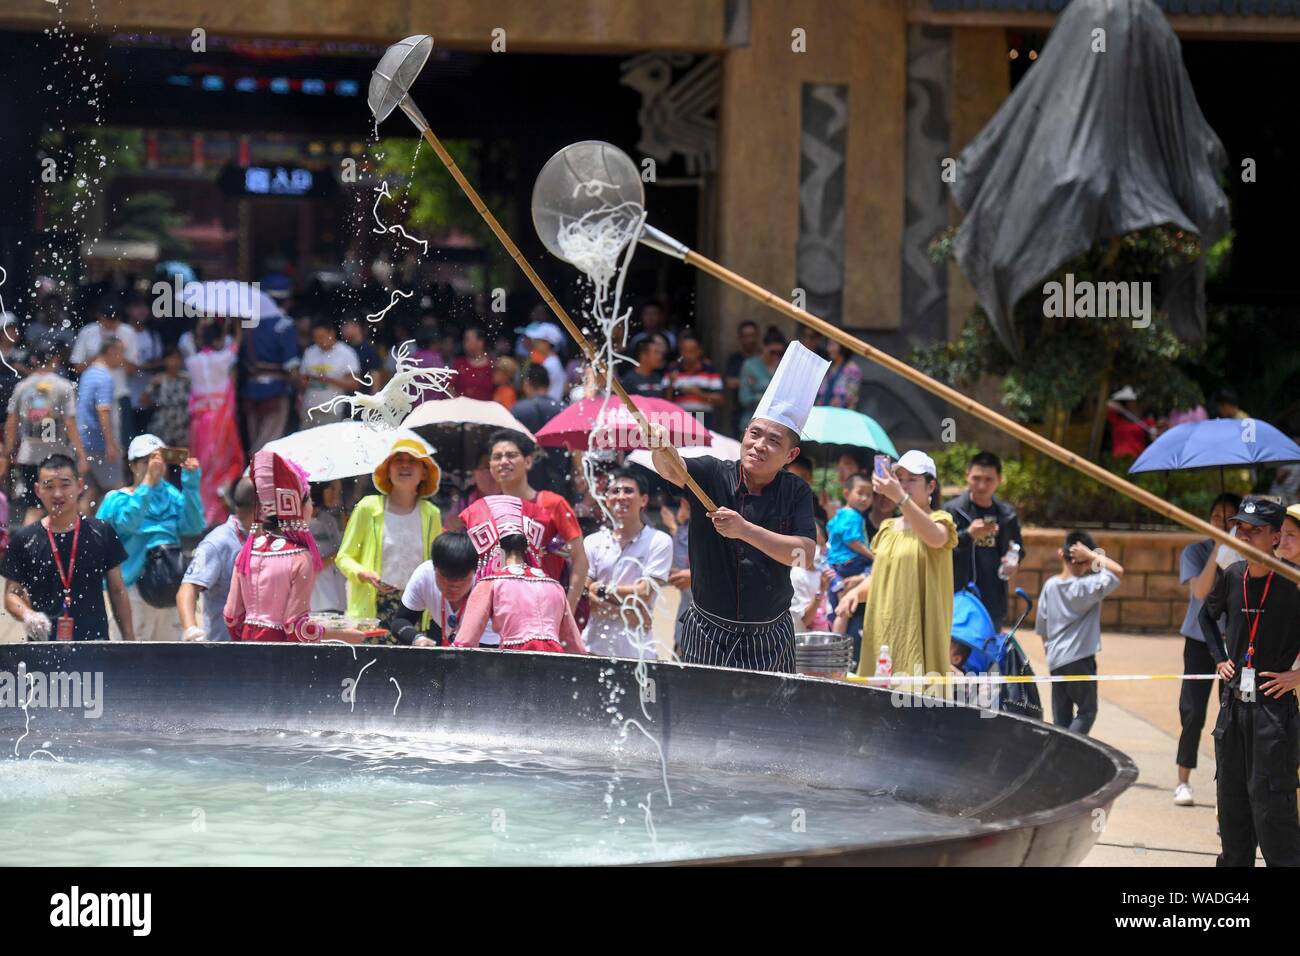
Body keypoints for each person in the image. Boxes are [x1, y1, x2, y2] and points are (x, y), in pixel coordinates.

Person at [651, 342, 825, 672]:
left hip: (770, 633)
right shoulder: (712, 473)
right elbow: (672, 469)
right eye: (755, 434)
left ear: (790, 456)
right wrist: (661, 445)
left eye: (773, 440)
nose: (759, 445)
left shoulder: (795, 491)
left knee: (772, 722)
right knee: (701, 718)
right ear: (744, 434)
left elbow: (804, 553)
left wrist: (744, 530)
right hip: (707, 630)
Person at [1199, 496, 1300, 866]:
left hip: (1274, 715)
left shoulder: (1293, 583)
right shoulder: (1232, 576)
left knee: (1273, 815)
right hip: (1232, 711)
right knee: (1232, 811)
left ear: (1275, 537)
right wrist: (1220, 658)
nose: (1245, 536)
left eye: (1255, 531)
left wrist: (1298, 675)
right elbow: (1206, 618)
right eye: (1240, 529)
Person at [841, 451, 957, 681]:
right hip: (884, 628)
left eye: (912, 479)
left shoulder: (940, 520)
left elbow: (935, 538)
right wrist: (855, 593)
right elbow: (881, 575)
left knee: (917, 703)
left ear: (931, 487)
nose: (904, 484)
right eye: (900, 479)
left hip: (920, 630)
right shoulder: (887, 527)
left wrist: (900, 498)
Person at [1, 454, 133, 642]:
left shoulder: (101, 531)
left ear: (79, 486)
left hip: (94, 644)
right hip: (43, 646)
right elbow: (11, 596)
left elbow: (118, 590)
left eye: (65, 485)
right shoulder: (25, 539)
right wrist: (29, 615)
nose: (57, 494)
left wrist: (129, 639)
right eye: (49, 486)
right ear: (37, 490)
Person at [97, 435, 205, 641]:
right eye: (146, 461)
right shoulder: (116, 499)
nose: (154, 466)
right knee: (132, 652)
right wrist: (147, 484)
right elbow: (126, 523)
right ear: (132, 465)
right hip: (132, 588)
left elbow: (193, 526)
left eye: (158, 460)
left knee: (169, 653)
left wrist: (191, 483)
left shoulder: (171, 495)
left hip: (169, 582)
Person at [464, 429, 587, 612]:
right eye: (497, 457)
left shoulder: (553, 503)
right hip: (500, 610)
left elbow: (580, 560)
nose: (504, 462)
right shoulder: (485, 509)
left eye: (511, 455)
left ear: (528, 461)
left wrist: (566, 610)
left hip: (545, 608)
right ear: (490, 466)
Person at [1173, 492, 1242, 807]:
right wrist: (1219, 547)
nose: (1222, 523)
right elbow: (1200, 591)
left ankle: (1228, 785)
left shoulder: (1246, 556)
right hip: (1200, 640)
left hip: (1234, 642)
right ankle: (1183, 780)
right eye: (1217, 516)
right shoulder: (1195, 551)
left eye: (1230, 518)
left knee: (1231, 714)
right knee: (1192, 710)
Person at [336, 438, 443, 633]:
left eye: (412, 460)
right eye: (398, 460)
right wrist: (363, 574)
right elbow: (343, 557)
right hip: (373, 608)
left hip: (415, 607)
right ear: (388, 469)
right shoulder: (368, 507)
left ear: (424, 472)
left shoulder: (432, 514)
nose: (404, 465)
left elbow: (433, 565)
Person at [454, 495, 586, 653]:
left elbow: (464, 644)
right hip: (553, 666)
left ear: (495, 549)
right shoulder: (554, 586)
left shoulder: (490, 584)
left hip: (514, 665)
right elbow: (576, 648)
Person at [224, 450, 327, 643]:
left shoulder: (247, 552)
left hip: (246, 649)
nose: (312, 506)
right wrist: (335, 633)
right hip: (281, 655)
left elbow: (231, 616)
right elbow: (295, 627)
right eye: (310, 499)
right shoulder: (300, 558)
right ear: (299, 506)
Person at [1034, 531, 1125, 736]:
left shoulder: (1050, 585)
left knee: (1061, 719)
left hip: (1056, 659)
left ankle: (1057, 761)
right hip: (1080, 658)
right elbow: (1117, 571)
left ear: (1061, 555)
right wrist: (1093, 556)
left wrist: (1050, 653)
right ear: (1084, 561)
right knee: (1087, 711)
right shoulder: (1088, 586)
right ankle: (1069, 750)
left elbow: (1042, 627)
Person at [581, 469, 673, 659]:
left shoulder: (659, 541)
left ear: (644, 500)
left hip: (639, 653)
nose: (621, 497)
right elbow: (585, 596)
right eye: (615, 491)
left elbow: (643, 593)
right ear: (606, 500)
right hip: (592, 648)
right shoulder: (592, 541)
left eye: (628, 491)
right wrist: (629, 613)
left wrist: (601, 591)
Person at [1, 345, 88, 524]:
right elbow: (70, 422)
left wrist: (8, 451)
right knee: (67, 505)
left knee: (34, 508)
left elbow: (11, 422)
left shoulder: (22, 387)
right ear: (55, 360)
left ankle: (26, 549)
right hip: (58, 456)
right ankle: (70, 548)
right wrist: (82, 454)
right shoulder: (63, 386)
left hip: (29, 455)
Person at [943, 451, 1025, 629]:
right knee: (955, 654)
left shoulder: (1006, 515)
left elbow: (1017, 547)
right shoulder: (952, 511)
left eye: (989, 480)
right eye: (976, 478)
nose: (981, 485)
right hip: (957, 596)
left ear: (999, 480)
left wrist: (1013, 560)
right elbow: (940, 548)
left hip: (992, 599)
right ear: (967, 476)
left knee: (989, 651)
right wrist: (968, 535)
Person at [177, 477, 255, 642]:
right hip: (224, 649)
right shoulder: (217, 543)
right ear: (260, 508)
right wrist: (191, 631)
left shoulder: (265, 537)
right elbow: (187, 589)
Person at [186, 322, 245, 524]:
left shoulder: (192, 361)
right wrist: (237, 329)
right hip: (221, 419)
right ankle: (219, 502)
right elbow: (236, 346)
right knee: (223, 462)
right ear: (219, 340)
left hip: (200, 421)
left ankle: (202, 514)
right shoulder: (223, 358)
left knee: (203, 466)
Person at [71, 293, 139, 442]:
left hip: (119, 393)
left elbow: (134, 369)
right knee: (91, 442)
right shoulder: (87, 332)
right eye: (107, 319)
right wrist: (102, 356)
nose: (110, 323)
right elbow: (77, 367)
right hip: (92, 396)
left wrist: (119, 356)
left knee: (123, 443)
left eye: (114, 319)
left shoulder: (127, 332)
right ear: (99, 316)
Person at [391, 530, 479, 646]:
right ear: (434, 568)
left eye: (461, 579)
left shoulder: (485, 586)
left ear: (475, 572)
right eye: (446, 578)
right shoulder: (424, 575)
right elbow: (400, 622)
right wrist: (417, 639)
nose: (453, 587)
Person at [240, 305, 300, 453]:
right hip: (276, 390)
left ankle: (253, 468)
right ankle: (257, 471)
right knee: (270, 439)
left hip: (251, 389)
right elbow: (290, 364)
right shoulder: (284, 324)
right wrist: (300, 388)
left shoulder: (250, 323)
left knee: (254, 436)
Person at [76, 337, 127, 503]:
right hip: (99, 443)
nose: (123, 358)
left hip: (84, 440)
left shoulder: (88, 374)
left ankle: (83, 529)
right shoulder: (104, 378)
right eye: (121, 353)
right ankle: (115, 529)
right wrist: (110, 444)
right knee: (118, 490)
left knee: (91, 492)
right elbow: (103, 412)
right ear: (111, 352)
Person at [509, 365, 567, 493]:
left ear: (526, 384)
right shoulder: (563, 409)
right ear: (549, 383)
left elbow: (509, 444)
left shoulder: (519, 409)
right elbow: (574, 448)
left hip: (527, 480)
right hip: (559, 478)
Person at [299, 318, 361, 425]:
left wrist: (329, 380)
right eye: (316, 338)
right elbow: (301, 379)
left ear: (331, 333)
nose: (319, 341)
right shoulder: (310, 352)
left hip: (332, 410)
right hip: (309, 408)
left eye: (322, 337)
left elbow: (355, 384)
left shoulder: (346, 353)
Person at [826, 472, 873, 602]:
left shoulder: (840, 513)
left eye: (869, 495)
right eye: (860, 493)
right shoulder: (854, 516)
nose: (864, 498)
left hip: (836, 563)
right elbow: (852, 540)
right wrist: (872, 555)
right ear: (847, 494)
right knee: (876, 569)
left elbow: (830, 529)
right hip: (851, 562)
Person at [663, 331, 724, 431]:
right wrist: (671, 384)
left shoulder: (709, 371)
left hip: (704, 418)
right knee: (680, 447)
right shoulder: (672, 370)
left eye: (691, 351)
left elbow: (720, 400)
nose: (687, 355)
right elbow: (664, 402)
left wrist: (699, 393)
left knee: (702, 446)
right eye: (684, 351)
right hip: (679, 418)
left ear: (699, 351)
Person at [309, 480, 349, 614]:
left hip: (338, 599)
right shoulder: (301, 524)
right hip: (318, 602)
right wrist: (338, 554)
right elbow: (310, 567)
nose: (335, 493)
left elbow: (341, 547)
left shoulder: (329, 519)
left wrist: (346, 530)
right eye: (331, 488)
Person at [737, 327, 786, 432]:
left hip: (777, 426)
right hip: (752, 423)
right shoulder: (750, 366)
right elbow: (744, 398)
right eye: (772, 352)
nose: (776, 356)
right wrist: (765, 398)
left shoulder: (785, 367)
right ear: (764, 347)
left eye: (780, 353)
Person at [144, 346, 191, 450]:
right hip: (163, 425)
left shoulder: (187, 379)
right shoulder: (158, 379)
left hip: (182, 425)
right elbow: (144, 399)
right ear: (164, 361)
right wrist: (156, 405)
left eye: (177, 358)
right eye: (171, 358)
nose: (174, 362)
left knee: (182, 459)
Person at [724, 319, 760, 434]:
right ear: (740, 338)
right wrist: (748, 382)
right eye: (746, 336)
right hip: (740, 412)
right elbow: (729, 382)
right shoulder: (735, 359)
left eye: (752, 336)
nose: (749, 340)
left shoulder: (762, 359)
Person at [1105, 386, 1156, 459]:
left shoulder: (1147, 421)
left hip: (1137, 458)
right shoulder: (1117, 420)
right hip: (1119, 459)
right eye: (1128, 401)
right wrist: (1119, 407)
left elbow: (1154, 437)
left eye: (1133, 401)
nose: (1131, 403)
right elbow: (1107, 405)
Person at [521, 321, 567, 402]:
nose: (535, 343)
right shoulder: (551, 361)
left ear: (547, 343)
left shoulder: (551, 364)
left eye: (538, 340)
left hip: (550, 408)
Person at [452, 325, 495, 401]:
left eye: (467, 339)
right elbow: (450, 388)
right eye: (464, 340)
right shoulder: (459, 363)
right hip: (462, 409)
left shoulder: (492, 365)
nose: (464, 343)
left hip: (486, 410)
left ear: (480, 342)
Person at [816, 340, 861, 409]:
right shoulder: (827, 368)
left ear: (843, 346)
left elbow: (852, 400)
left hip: (841, 415)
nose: (829, 349)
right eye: (828, 345)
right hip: (821, 413)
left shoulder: (852, 369)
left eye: (833, 345)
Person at [620, 336, 668, 400]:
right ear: (643, 355)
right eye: (656, 352)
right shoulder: (629, 380)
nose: (660, 357)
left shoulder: (658, 378)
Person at [340, 317, 382, 391]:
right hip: (347, 396)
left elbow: (375, 375)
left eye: (346, 326)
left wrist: (375, 398)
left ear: (357, 327)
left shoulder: (369, 350)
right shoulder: (344, 349)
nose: (342, 330)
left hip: (364, 396)